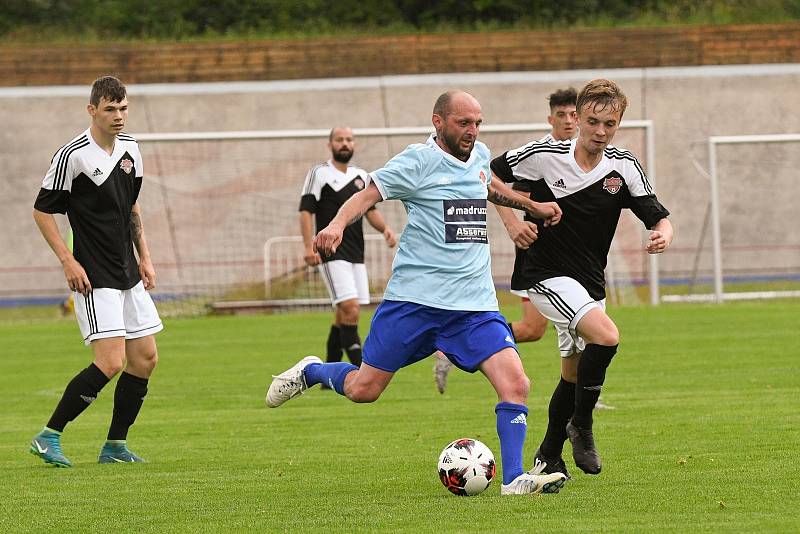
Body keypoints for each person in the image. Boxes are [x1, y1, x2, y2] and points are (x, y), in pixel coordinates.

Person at [268, 90, 568, 495]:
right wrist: (337, 225)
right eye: (464, 123)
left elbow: (488, 185)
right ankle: (311, 371)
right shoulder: (417, 161)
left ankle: (513, 479)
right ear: (438, 121)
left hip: (473, 307)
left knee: (516, 383)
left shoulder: (479, 153)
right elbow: (366, 194)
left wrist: (530, 207)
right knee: (364, 390)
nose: (472, 131)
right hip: (415, 302)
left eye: (478, 123)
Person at [490, 79, 673, 478]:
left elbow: (655, 213)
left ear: (618, 123)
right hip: (544, 273)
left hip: (588, 282)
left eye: (610, 124)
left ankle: (548, 454)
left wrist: (664, 232)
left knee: (572, 374)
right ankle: (583, 426)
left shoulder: (622, 166)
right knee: (606, 337)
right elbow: (486, 176)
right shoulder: (543, 154)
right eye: (593, 121)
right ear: (579, 115)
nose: (600, 132)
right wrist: (515, 219)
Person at [29, 76, 162, 467]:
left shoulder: (131, 150)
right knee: (110, 362)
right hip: (93, 272)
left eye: (123, 108)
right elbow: (42, 210)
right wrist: (67, 261)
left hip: (127, 270)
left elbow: (132, 207)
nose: (119, 116)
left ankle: (115, 447)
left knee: (146, 359)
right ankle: (47, 436)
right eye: (110, 109)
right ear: (92, 110)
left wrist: (146, 256)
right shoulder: (73, 155)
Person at [432, 87, 579, 394]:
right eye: (562, 115)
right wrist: (514, 225)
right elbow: (492, 182)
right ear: (551, 118)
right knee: (536, 329)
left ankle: (583, 395)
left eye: (574, 115)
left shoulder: (591, 155)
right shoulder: (540, 157)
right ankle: (455, 347)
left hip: (579, 256)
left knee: (577, 325)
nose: (569, 121)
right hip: (542, 256)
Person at [299, 127, 397, 370]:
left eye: (349, 140)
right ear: (330, 144)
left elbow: (370, 210)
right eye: (339, 140)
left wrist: (385, 230)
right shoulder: (319, 174)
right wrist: (307, 246)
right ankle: (360, 368)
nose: (345, 144)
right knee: (350, 307)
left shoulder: (361, 175)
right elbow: (306, 210)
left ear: (355, 144)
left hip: (356, 251)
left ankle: (329, 368)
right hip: (331, 251)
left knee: (344, 312)